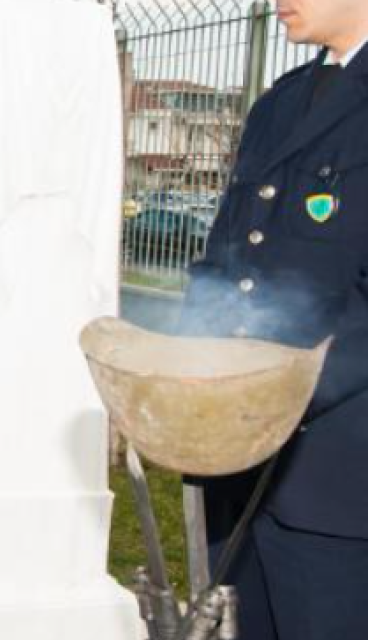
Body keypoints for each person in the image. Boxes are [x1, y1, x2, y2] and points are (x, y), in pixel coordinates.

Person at [179, 0, 366, 637]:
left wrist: (280, 394)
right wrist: (191, 367)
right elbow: (227, 255)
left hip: (335, 471)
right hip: (241, 457)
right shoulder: (281, 101)